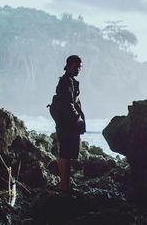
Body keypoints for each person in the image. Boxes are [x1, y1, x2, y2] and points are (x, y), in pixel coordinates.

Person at [50, 55, 86, 193]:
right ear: (69, 65)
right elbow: (68, 103)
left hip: (66, 123)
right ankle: (64, 186)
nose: (78, 69)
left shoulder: (69, 80)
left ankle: (65, 184)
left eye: (80, 67)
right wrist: (78, 118)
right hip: (66, 123)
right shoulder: (66, 82)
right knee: (65, 153)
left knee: (67, 153)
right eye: (76, 66)